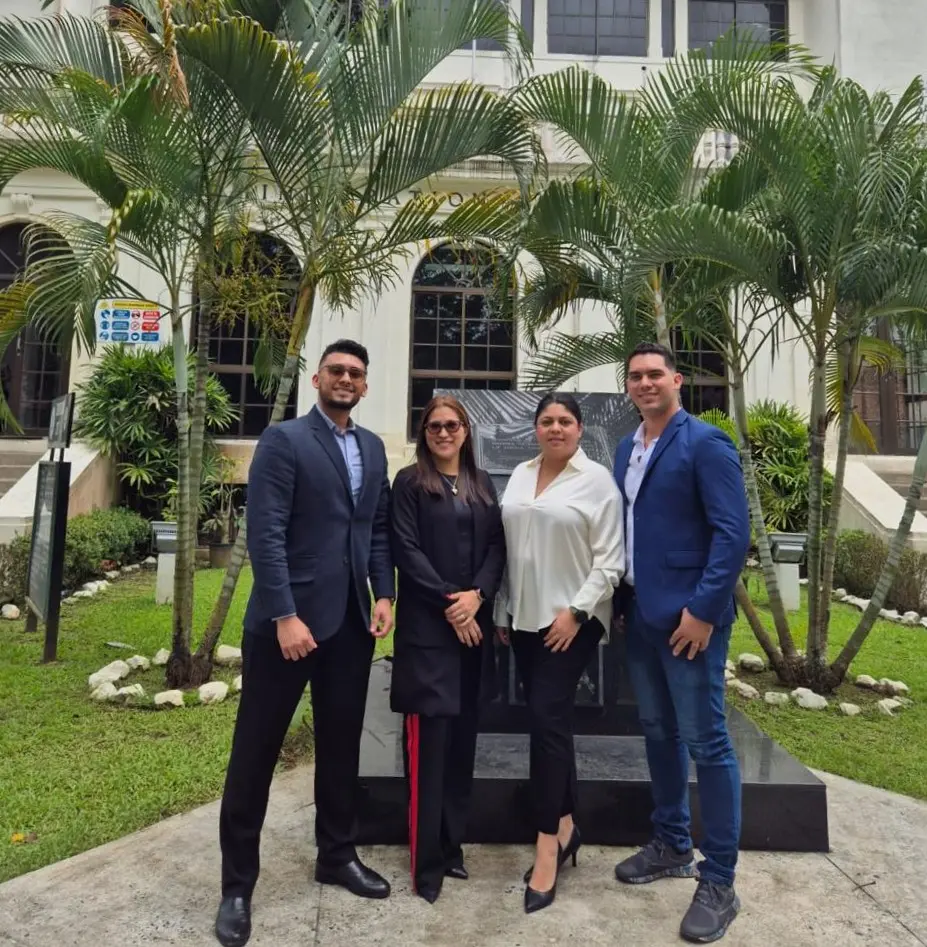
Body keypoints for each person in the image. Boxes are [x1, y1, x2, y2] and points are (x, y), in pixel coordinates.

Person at [214, 339, 396, 947]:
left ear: (365, 385)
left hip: (349, 624)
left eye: (356, 373)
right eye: (336, 370)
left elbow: (374, 530)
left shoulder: (372, 448)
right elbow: (264, 532)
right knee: (255, 753)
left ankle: (336, 855)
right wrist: (286, 615)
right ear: (317, 379)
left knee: (341, 748)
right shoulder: (285, 440)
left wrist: (384, 593)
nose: (346, 379)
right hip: (284, 629)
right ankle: (237, 887)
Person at [612, 341, 751, 944]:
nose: (645, 383)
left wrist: (703, 611)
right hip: (642, 616)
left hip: (690, 623)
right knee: (657, 731)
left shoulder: (706, 443)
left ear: (677, 380)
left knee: (707, 741)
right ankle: (671, 843)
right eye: (635, 376)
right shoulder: (627, 447)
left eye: (654, 374)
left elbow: (732, 533)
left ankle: (719, 880)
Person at [493, 393, 625, 915]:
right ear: (535, 428)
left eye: (565, 421)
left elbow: (610, 561)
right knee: (550, 725)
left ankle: (547, 844)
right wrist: (503, 609)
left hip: (571, 622)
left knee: (546, 727)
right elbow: (509, 549)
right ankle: (568, 826)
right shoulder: (520, 475)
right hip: (524, 619)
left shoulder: (597, 481)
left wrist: (575, 613)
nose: (555, 428)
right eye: (546, 421)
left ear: (579, 428)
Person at [388, 395, 506, 904]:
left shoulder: (482, 484)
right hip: (429, 636)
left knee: (461, 747)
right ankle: (426, 863)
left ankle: (452, 845)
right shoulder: (410, 483)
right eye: (434, 426)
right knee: (429, 751)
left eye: (451, 425)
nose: (443, 433)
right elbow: (405, 551)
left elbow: (498, 547)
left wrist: (477, 596)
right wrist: (451, 604)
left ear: (465, 430)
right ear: (424, 432)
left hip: (473, 632)